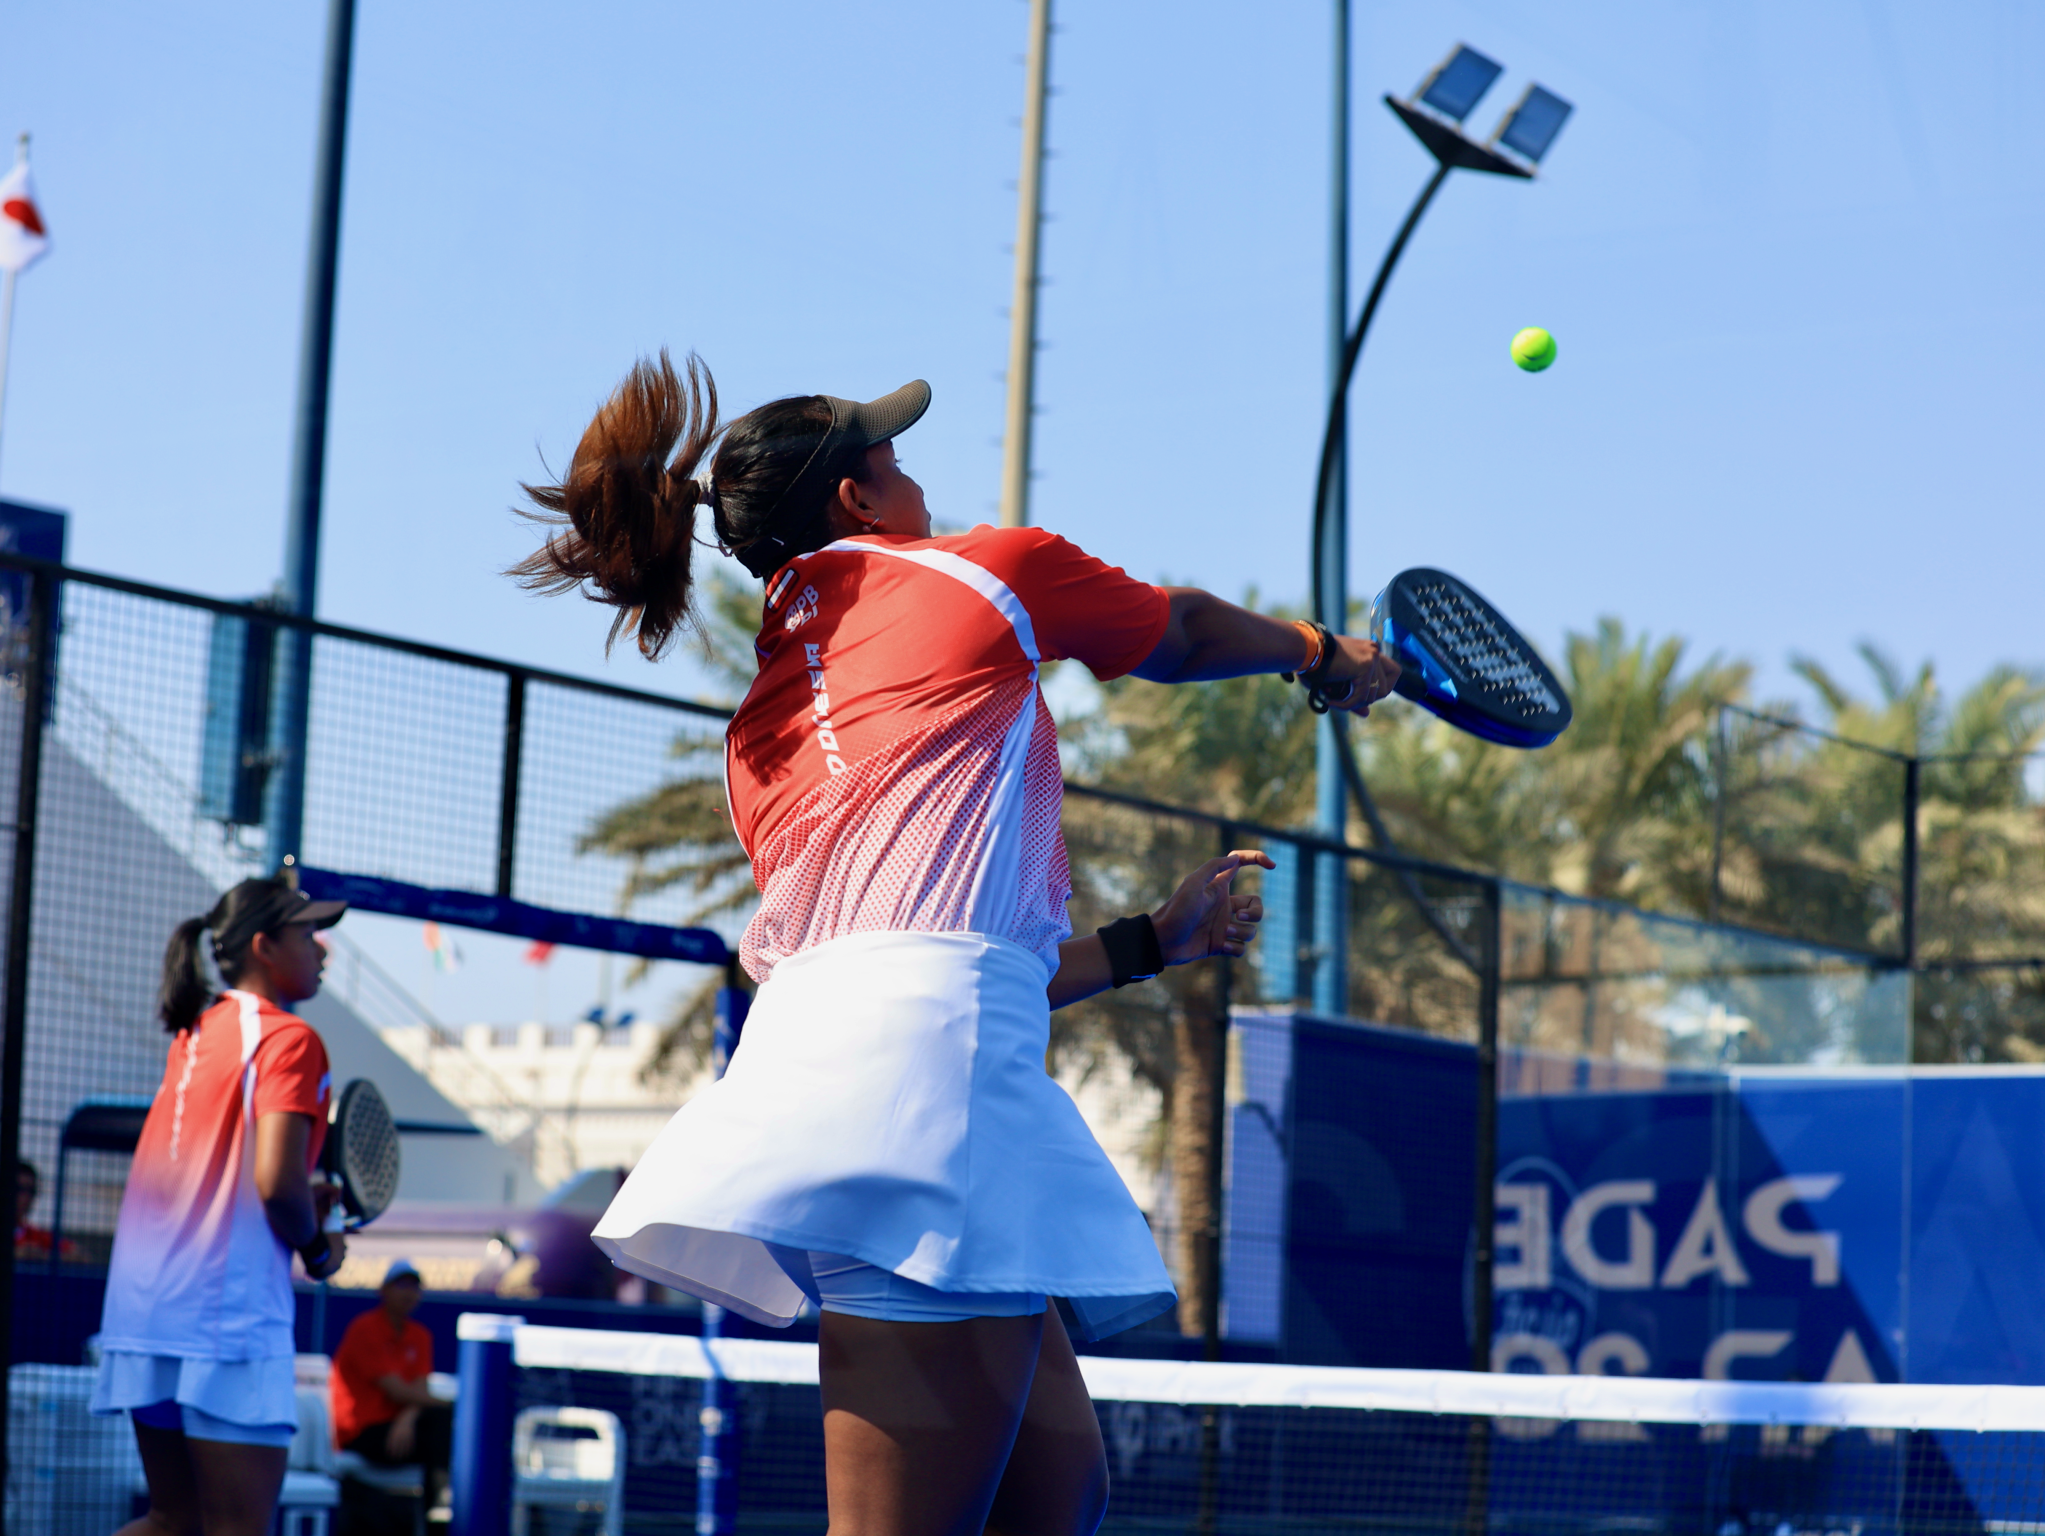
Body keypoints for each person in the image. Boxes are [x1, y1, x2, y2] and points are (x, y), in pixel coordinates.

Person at [510, 354, 1398, 1536]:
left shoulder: (755, 735)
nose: (919, 484)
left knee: (1056, 1491)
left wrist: (1149, 942)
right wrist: (1323, 655)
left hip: (844, 1080)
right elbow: (1180, 632)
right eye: (896, 463)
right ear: (855, 501)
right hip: (927, 1107)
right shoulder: (980, 575)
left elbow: (929, 958)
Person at [91, 875, 349, 1536]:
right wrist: (318, 1247)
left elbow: (225, 1174)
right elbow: (275, 1184)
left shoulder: (196, 1033)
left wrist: (299, 1198)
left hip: (146, 1314)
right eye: (308, 933)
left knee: (171, 1522)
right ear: (265, 946)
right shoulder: (290, 1039)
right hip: (223, 1322)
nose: (322, 949)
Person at [330, 1260, 452, 1498]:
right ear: (384, 1290)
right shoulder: (365, 1329)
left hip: (399, 1428)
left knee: (444, 1430)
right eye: (402, 1285)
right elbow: (396, 1391)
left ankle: (437, 1502)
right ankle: (438, 1503)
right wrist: (451, 1405)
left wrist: (407, 1417)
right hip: (361, 1432)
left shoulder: (420, 1336)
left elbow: (419, 1391)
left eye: (414, 1287)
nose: (409, 1293)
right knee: (445, 1429)